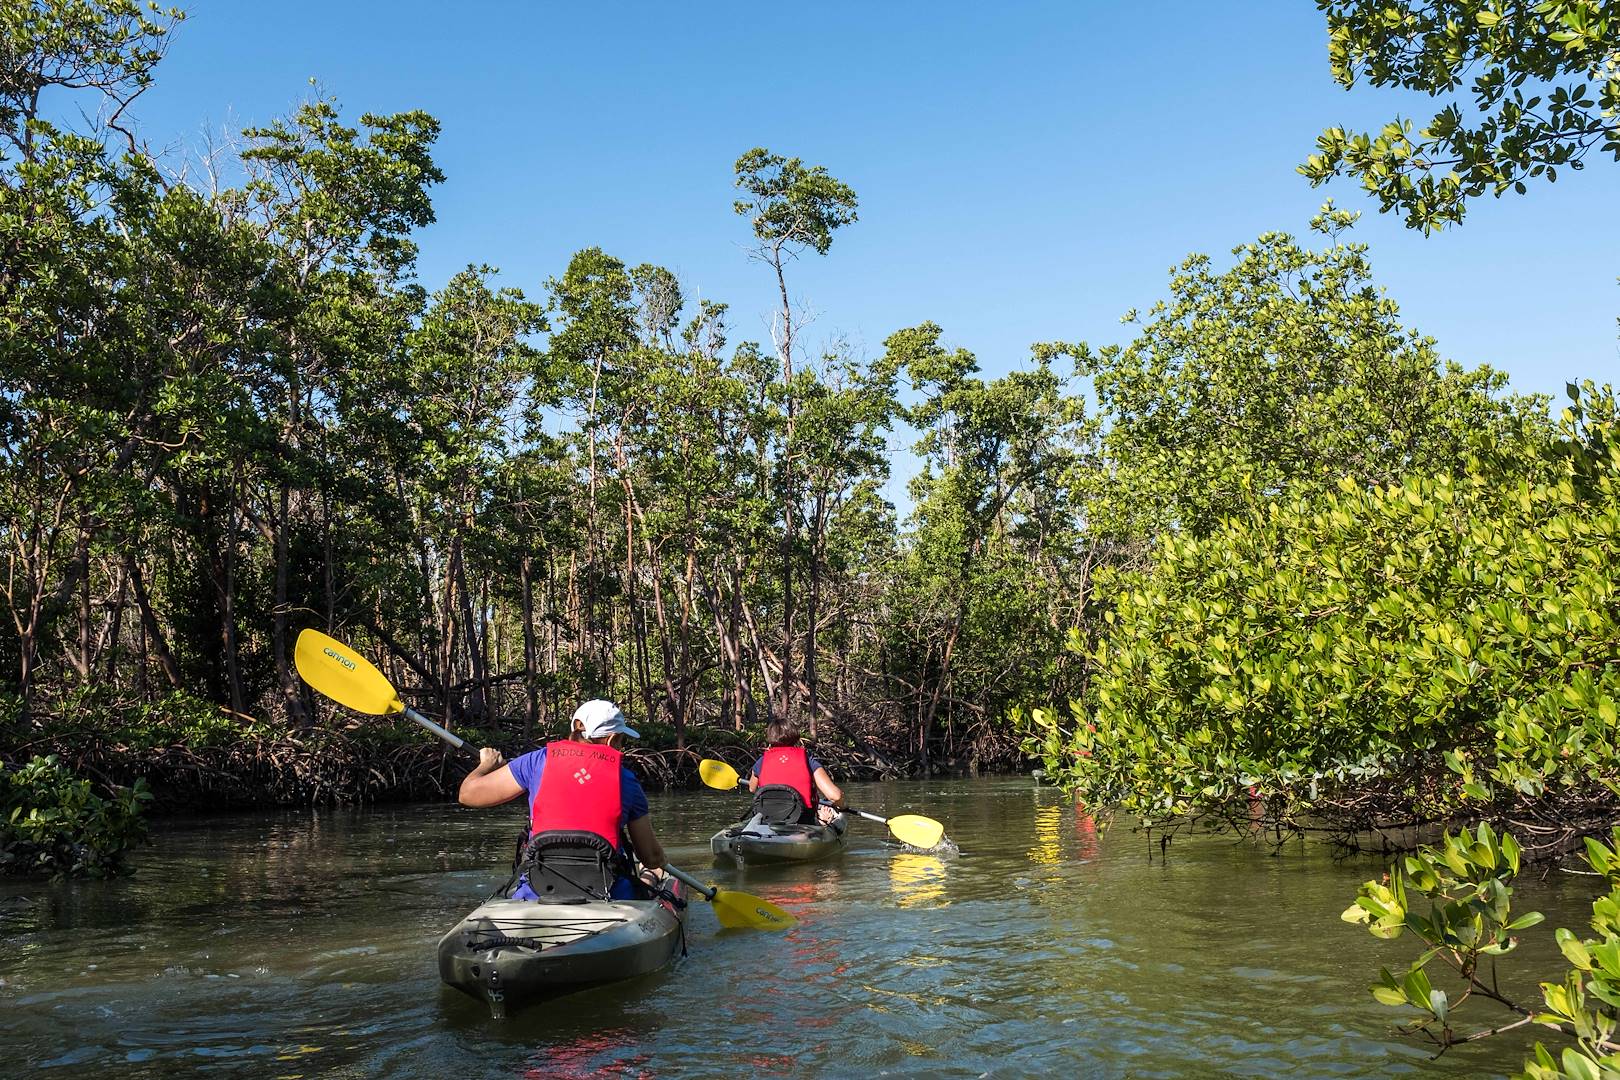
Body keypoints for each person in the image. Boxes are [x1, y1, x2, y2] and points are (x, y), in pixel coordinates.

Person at [458, 699, 667, 900]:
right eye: (621, 740)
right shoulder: (627, 781)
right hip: (607, 894)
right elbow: (650, 857)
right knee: (653, 869)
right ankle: (651, 878)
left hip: (537, 891)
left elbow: (467, 795)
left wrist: (487, 764)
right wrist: (656, 866)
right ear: (611, 739)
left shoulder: (535, 762)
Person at [746, 716, 845, 825]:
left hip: (768, 818)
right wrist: (842, 806)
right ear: (795, 736)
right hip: (801, 820)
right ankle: (823, 819)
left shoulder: (762, 761)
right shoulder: (808, 760)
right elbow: (835, 796)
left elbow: (752, 788)